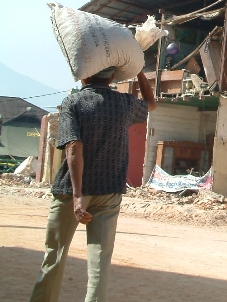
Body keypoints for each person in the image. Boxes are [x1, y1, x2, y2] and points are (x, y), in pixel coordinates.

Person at [30, 68, 157, 302]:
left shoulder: (73, 102)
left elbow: (73, 146)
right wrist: (139, 71)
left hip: (71, 191)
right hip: (109, 191)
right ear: (112, 78)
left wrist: (78, 195)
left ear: (83, 76)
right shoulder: (124, 103)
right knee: (100, 263)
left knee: (54, 256)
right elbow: (151, 103)